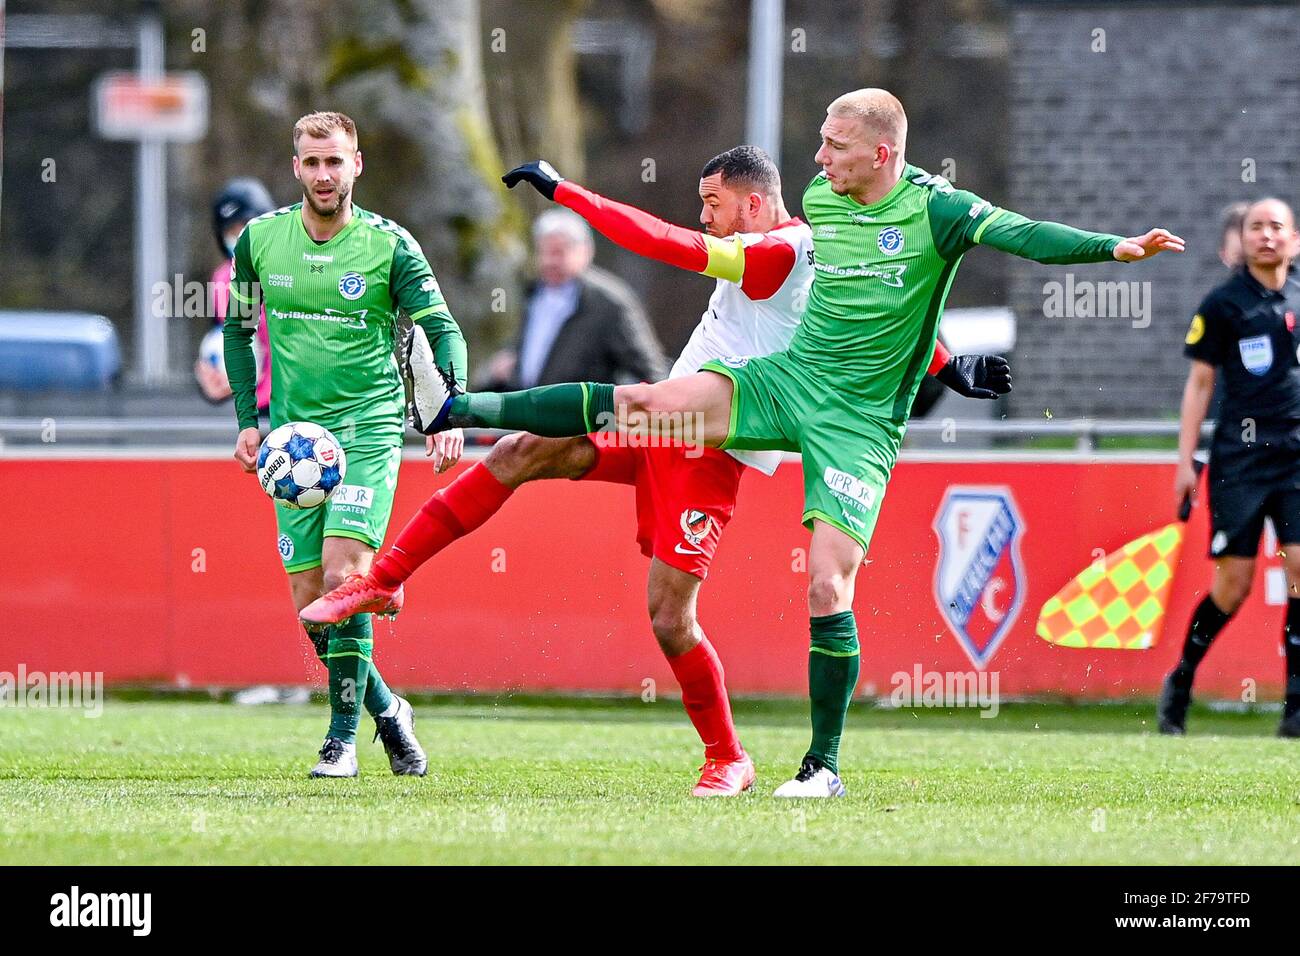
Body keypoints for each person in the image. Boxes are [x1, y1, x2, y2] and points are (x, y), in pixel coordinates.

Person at [411, 89, 1183, 796]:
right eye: (820, 141)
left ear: (881, 153)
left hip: (856, 421)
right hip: (787, 381)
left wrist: (1111, 250)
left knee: (824, 586)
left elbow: (1021, 236)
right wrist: (949, 363)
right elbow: (846, 295)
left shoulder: (939, 210)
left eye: (835, 145)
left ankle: (822, 767)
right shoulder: (820, 204)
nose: (819, 157)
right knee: (634, 406)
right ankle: (460, 412)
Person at [305, 144, 1008, 796]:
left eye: (713, 204)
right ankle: (382, 577)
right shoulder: (822, 253)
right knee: (520, 451)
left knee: (670, 618)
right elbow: (883, 314)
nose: (704, 217)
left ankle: (729, 757)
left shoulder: (777, 253)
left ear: (754, 203)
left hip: (710, 449)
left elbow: (661, 242)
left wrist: (566, 192)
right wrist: (950, 365)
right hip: (665, 420)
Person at [224, 111, 469, 778]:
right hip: (293, 443)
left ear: (356, 164)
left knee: (342, 579)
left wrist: (448, 407)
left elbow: (442, 328)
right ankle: (388, 711)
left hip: (368, 429)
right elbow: (236, 331)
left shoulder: (391, 246)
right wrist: (248, 419)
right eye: (312, 162)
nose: (324, 174)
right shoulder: (260, 241)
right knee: (312, 605)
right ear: (295, 167)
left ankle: (340, 741)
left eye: (335, 161)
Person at [1162, 197, 1300, 738]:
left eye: (1276, 227)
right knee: (1233, 585)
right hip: (1240, 461)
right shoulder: (1222, 304)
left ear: (1294, 239)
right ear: (1242, 239)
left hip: (1296, 458)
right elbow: (1200, 385)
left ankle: (1295, 709)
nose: (1266, 235)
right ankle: (1182, 679)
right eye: (1255, 227)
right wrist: (1184, 461)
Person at [481, 209, 668, 390]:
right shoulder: (532, 293)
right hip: (531, 408)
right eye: (544, 252)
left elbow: (651, 372)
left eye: (558, 252)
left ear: (585, 251)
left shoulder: (608, 302)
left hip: (583, 409)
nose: (549, 261)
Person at [195, 179, 275, 409]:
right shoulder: (222, 280)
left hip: (300, 405)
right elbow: (220, 344)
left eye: (246, 227)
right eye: (231, 231)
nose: (239, 237)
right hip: (254, 410)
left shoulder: (294, 268)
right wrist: (210, 384)